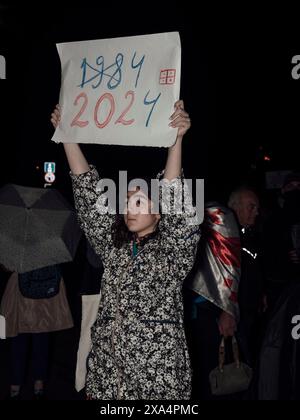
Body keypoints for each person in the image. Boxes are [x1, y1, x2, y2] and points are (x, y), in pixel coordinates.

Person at [51, 100, 201, 400]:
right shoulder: (114, 248)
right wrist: (67, 135)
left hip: (157, 383)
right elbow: (88, 195)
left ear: (159, 212)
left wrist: (176, 140)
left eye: (139, 200)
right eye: (126, 200)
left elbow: (173, 196)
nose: (128, 207)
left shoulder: (174, 252)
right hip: (110, 380)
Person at [184, 201, 241, 399]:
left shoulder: (217, 214)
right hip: (183, 313)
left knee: (210, 376)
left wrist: (228, 309)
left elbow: (229, 268)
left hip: (208, 310)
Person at [0, 264, 74, 400]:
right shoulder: (49, 244)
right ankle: (36, 386)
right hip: (41, 293)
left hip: (28, 293)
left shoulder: (19, 245)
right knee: (39, 340)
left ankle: (18, 387)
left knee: (22, 341)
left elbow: (7, 266)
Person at [228, 186, 264, 367]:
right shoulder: (225, 237)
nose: (256, 212)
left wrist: (261, 294)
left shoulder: (251, 235)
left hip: (251, 309)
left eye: (257, 208)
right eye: (252, 207)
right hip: (235, 311)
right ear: (236, 208)